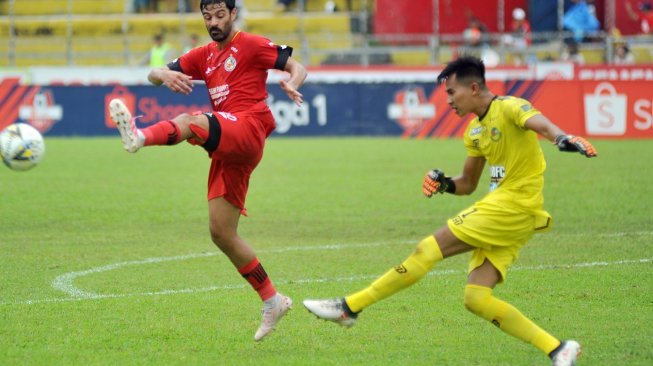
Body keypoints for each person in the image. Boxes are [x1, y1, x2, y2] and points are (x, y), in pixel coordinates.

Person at [303, 56, 597, 366]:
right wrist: (444, 184)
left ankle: (349, 307)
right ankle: (559, 349)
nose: (448, 100)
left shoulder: (510, 107)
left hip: (514, 206)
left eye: (452, 92)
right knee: (477, 299)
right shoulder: (474, 131)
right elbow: (468, 183)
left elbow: (540, 124)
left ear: (473, 88)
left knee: (426, 250)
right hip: (508, 213)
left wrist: (562, 137)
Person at [109, 0, 307, 341]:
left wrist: (293, 82)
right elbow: (152, 75)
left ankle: (139, 137)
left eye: (219, 15)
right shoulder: (203, 55)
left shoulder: (251, 44)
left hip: (249, 127)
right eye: (207, 17)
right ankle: (272, 299)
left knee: (191, 121)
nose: (213, 22)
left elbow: (296, 65)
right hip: (230, 143)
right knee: (221, 232)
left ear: (233, 14)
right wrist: (164, 73)